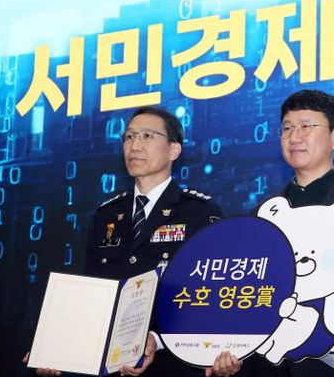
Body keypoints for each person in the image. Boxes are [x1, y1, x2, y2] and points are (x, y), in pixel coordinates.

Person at [24, 106, 240, 377]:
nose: (134, 145)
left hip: (171, 365)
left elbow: (207, 295)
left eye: (147, 136)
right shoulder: (106, 215)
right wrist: (57, 347)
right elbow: (93, 296)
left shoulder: (199, 212)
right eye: (129, 137)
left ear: (174, 150)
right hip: (111, 367)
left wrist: (156, 340)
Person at [239, 89, 334, 377]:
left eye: (306, 127)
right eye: (287, 128)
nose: (294, 137)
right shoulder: (261, 215)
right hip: (270, 366)